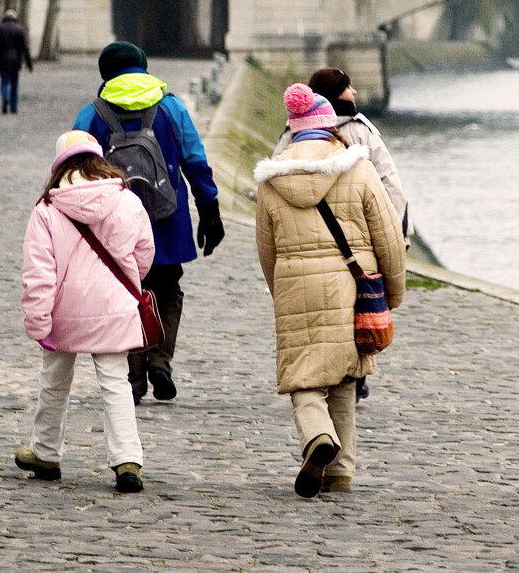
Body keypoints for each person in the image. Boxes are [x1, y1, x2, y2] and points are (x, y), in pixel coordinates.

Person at [254, 84, 405, 497]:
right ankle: (340, 470)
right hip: (351, 283)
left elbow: (266, 248)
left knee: (305, 376)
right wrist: (392, 292)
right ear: (329, 128)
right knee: (345, 374)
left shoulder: (271, 178)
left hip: (294, 283)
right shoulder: (357, 168)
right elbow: (388, 237)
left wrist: (279, 290)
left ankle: (318, 436)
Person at [72, 41, 224, 405]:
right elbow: (195, 161)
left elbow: (73, 169)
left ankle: (133, 377)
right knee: (167, 289)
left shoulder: (92, 113)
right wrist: (209, 209)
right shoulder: (171, 107)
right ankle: (161, 361)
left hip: (112, 223)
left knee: (125, 291)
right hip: (166, 219)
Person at [15, 131, 155, 492]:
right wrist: (125, 286)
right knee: (116, 383)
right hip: (115, 309)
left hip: (64, 314)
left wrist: (38, 322)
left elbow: (38, 275)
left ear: (59, 166)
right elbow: (144, 253)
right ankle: (127, 461)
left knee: (55, 382)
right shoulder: (126, 200)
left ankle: (46, 452)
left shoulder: (46, 209)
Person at [273, 67, 413, 402]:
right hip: (358, 240)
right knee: (358, 307)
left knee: (319, 314)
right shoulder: (362, 132)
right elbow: (389, 184)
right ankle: (354, 372)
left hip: (306, 241)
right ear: (336, 94)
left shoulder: (290, 136)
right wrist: (399, 233)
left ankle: (318, 375)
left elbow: (275, 182)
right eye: (347, 87)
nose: (353, 92)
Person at [0, 10, 34, 114]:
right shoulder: (20, 29)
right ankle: (13, 107)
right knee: (14, 84)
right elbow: (25, 48)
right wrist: (29, 63)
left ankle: (5, 97)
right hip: (15, 61)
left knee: (4, 82)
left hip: (2, 60)